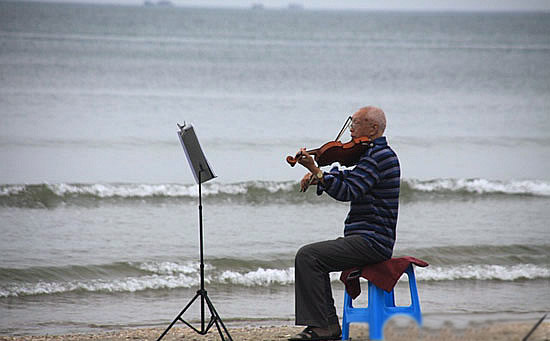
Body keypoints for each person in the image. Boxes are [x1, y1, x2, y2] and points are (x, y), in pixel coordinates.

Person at [289, 106, 400, 341]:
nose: (351, 129)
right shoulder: (369, 155)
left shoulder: (381, 157)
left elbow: (349, 189)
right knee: (311, 257)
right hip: (364, 238)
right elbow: (348, 176)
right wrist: (320, 176)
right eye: (351, 123)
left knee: (309, 256)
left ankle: (325, 327)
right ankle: (325, 325)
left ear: (373, 128)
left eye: (356, 123)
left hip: (373, 241)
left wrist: (316, 170)